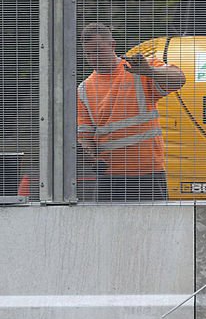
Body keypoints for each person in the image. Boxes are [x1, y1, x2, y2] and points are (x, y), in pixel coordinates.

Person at [76, 22, 185, 202]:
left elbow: (179, 79)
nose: (93, 58)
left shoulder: (138, 69)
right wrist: (84, 152)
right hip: (110, 177)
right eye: (88, 53)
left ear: (112, 45)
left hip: (147, 173)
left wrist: (150, 72)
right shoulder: (84, 89)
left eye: (98, 51)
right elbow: (86, 136)